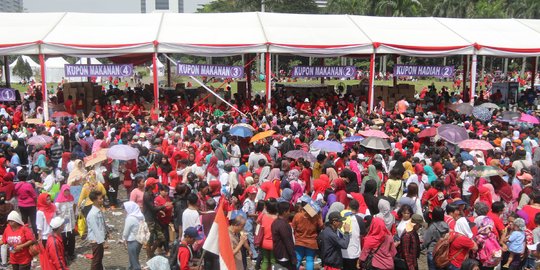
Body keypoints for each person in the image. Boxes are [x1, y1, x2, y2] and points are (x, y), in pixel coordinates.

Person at [272, 201, 296, 270]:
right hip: (284, 255)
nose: (289, 213)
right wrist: (293, 257)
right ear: (284, 212)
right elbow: (288, 242)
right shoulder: (283, 225)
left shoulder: (275, 222)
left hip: (278, 253)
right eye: (289, 211)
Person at [54, 184, 76, 261]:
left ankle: (71, 253)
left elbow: (73, 208)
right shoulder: (58, 202)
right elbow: (56, 212)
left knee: (72, 238)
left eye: (68, 191)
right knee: (63, 239)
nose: (67, 192)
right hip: (62, 223)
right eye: (65, 191)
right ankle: (64, 253)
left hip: (71, 222)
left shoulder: (71, 198)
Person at [86, 190, 107, 270]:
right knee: (96, 260)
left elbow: (102, 224)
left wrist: (106, 233)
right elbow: (96, 229)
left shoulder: (98, 210)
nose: (102, 200)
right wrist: (102, 241)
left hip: (99, 239)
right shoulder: (92, 214)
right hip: (96, 240)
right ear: (94, 200)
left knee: (99, 259)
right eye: (100, 199)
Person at [14, 170, 37, 236]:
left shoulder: (16, 186)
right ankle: (36, 235)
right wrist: (36, 204)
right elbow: (34, 196)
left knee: (24, 221)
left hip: (21, 205)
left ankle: (25, 235)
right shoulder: (28, 185)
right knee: (33, 222)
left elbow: (16, 194)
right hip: (31, 205)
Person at [123, 201, 144, 270]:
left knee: (134, 261)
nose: (125, 211)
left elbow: (126, 232)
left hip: (132, 241)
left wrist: (124, 239)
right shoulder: (140, 216)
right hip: (139, 240)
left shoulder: (130, 218)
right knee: (134, 257)